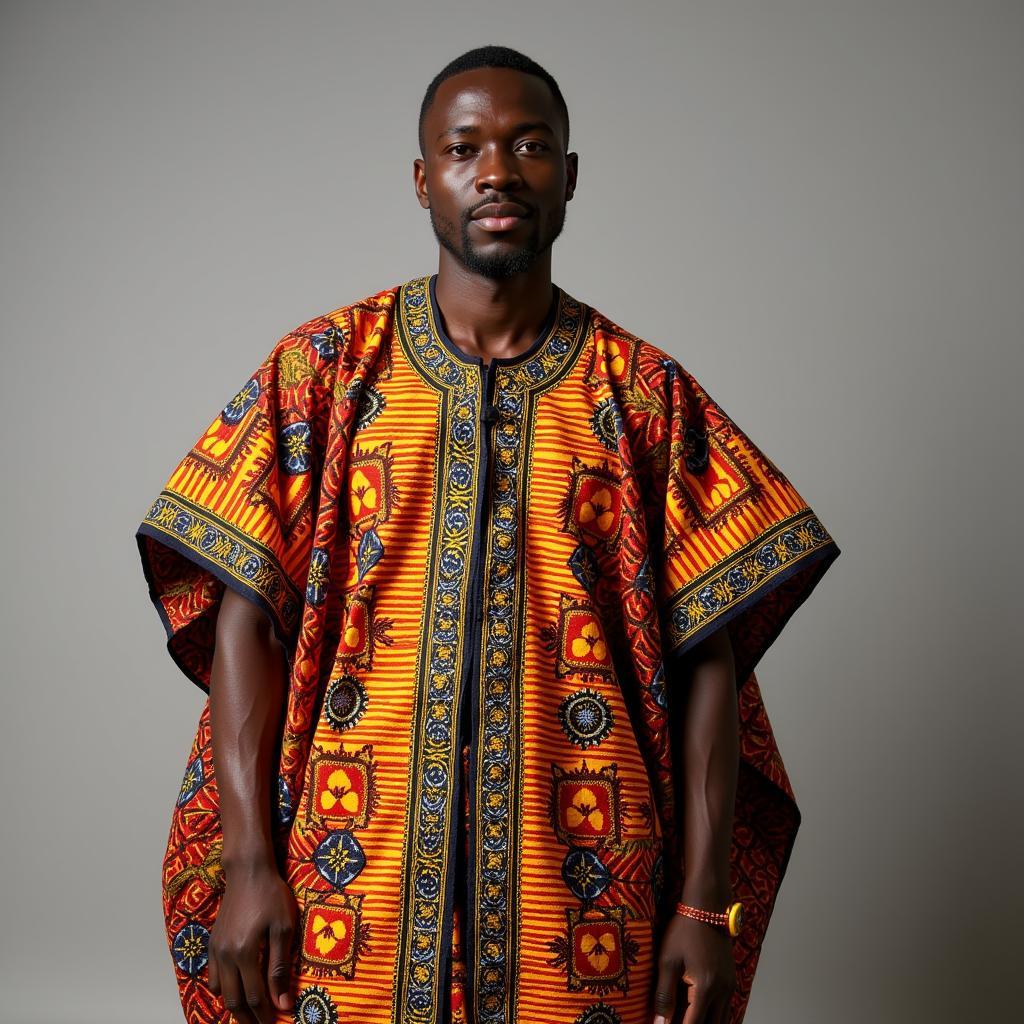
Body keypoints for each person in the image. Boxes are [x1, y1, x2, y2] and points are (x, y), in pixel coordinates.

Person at [136, 45, 840, 1024]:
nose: (498, 171)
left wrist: (699, 900)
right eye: (464, 149)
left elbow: (709, 663)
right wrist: (252, 864)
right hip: (350, 881)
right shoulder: (322, 372)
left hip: (586, 886)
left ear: (570, 178)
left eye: (530, 145)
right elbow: (243, 619)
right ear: (424, 179)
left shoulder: (645, 400)